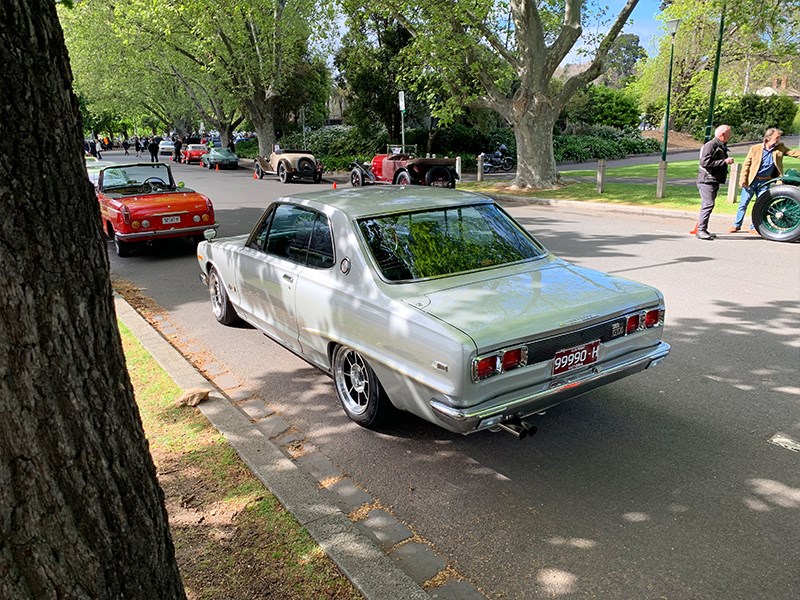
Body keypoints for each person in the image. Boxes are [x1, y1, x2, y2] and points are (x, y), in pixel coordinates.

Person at [731, 128, 800, 233]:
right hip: (752, 181)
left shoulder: (780, 147)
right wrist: (743, 180)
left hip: (765, 182)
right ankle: (736, 225)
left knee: (761, 205)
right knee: (743, 204)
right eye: (777, 137)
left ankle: (754, 227)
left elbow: (793, 153)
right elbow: (747, 164)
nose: (778, 139)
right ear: (768, 138)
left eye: (779, 137)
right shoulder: (755, 148)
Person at [695, 124, 734, 240]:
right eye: (729, 134)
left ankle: (703, 229)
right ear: (722, 135)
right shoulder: (710, 145)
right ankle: (700, 230)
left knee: (708, 204)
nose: (730, 136)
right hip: (707, 180)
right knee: (708, 204)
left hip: (713, 180)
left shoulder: (719, 146)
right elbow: (705, 163)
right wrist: (724, 161)